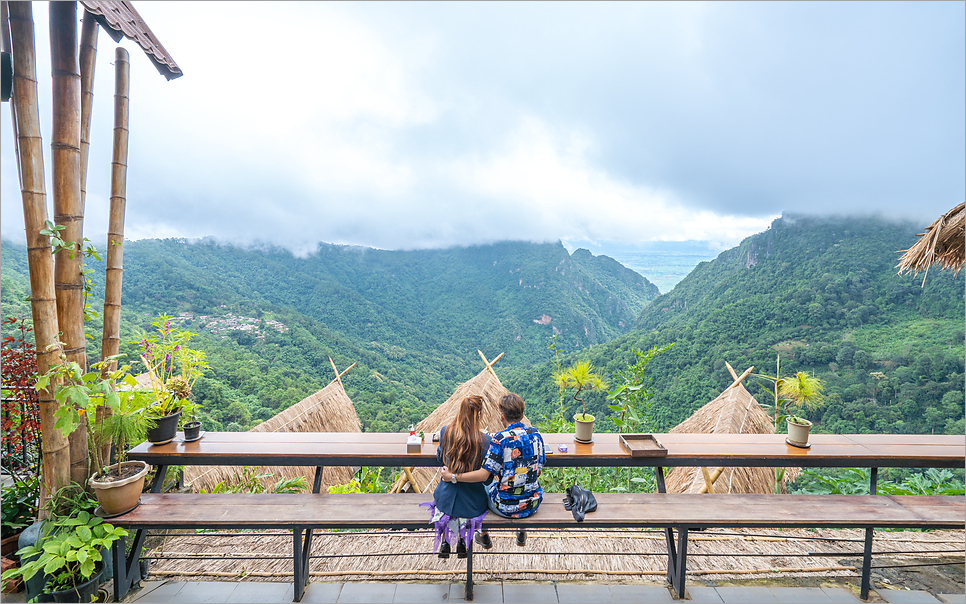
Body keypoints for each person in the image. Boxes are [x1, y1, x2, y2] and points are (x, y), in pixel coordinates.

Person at [441, 392, 546, 549]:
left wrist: (453, 476)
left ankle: (483, 535)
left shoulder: (500, 439)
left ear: (502, 416)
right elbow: (540, 465)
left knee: (483, 487)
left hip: (506, 507)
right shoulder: (536, 434)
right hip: (532, 503)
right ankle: (521, 529)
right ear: (523, 415)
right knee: (522, 481)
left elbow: (484, 475)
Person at [427, 395, 490, 559]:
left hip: (445, 499)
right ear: (479, 414)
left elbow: (440, 457)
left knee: (447, 504)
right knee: (476, 500)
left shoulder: (445, 431)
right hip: (473, 503)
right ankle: (462, 541)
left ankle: (445, 542)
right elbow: (488, 478)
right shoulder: (486, 440)